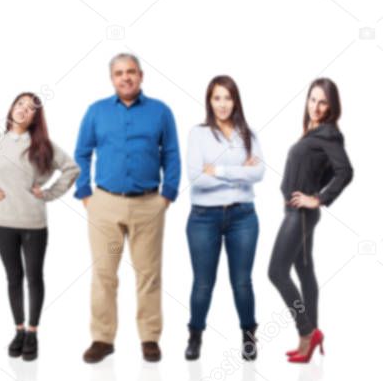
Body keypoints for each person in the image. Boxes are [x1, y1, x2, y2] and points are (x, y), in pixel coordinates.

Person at [75, 53, 180, 363]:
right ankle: (102, 339)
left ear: (141, 75)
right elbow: (81, 154)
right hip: (105, 204)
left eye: (131, 72)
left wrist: (167, 195)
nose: (126, 77)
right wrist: (85, 194)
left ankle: (149, 337)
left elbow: (171, 155)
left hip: (149, 204)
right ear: (112, 79)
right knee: (104, 274)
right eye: (119, 73)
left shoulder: (161, 112)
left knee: (149, 274)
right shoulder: (96, 112)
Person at [0, 92, 78, 361]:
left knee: (34, 277)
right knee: (14, 277)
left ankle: (33, 333)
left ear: (36, 117)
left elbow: (71, 169)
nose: (24, 110)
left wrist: (47, 193)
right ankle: (19, 330)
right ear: (12, 108)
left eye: (31, 108)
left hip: (34, 222)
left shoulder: (42, 144)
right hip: (3, 222)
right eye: (20, 104)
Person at [269, 78, 353, 364]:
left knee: (276, 272)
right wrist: (314, 188)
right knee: (303, 270)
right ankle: (310, 337)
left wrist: (317, 198)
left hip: (302, 214)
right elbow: (327, 170)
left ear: (331, 106)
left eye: (322, 102)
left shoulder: (328, 134)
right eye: (312, 100)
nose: (315, 106)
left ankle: (307, 332)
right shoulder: (313, 132)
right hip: (297, 212)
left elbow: (345, 172)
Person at [183, 75, 263, 361]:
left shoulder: (248, 134)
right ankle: (195, 335)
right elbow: (195, 178)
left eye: (227, 98)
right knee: (203, 282)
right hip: (204, 218)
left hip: (243, 216)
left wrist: (217, 171)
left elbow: (259, 173)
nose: (222, 104)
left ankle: (249, 335)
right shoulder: (198, 133)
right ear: (209, 101)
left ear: (235, 101)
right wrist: (239, 172)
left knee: (242, 281)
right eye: (217, 98)